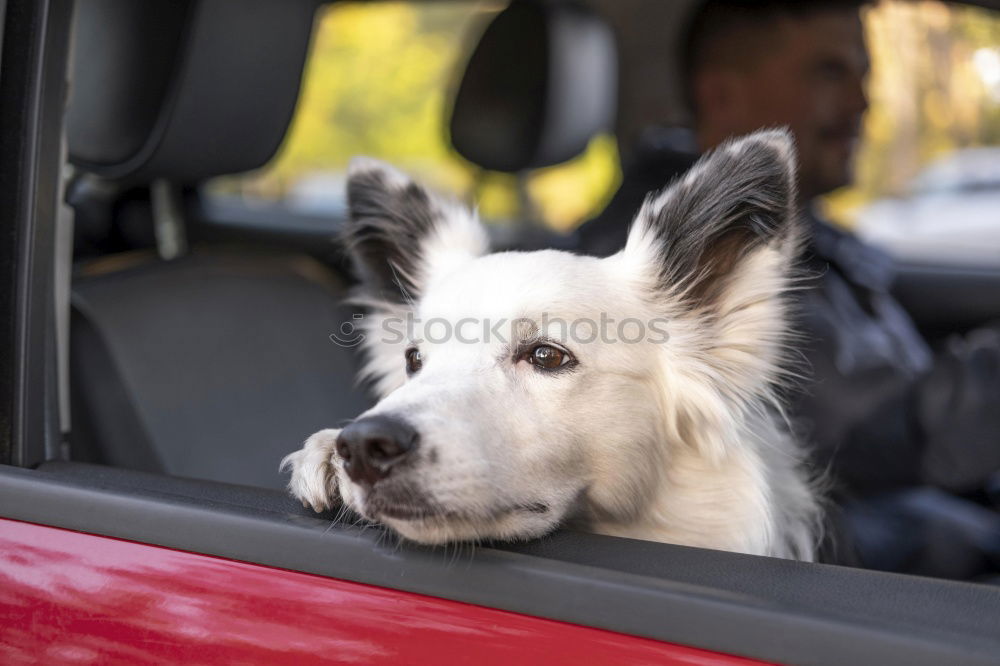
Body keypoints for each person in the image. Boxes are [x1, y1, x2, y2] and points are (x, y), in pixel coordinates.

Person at [575, 0, 1000, 575]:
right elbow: (879, 435)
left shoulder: (804, 233)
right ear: (723, 96)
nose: (861, 101)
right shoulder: (662, 274)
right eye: (830, 72)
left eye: (863, 75)